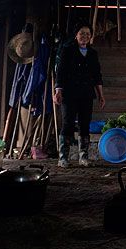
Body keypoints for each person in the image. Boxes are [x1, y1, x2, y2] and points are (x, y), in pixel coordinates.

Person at [54, 24, 105, 167]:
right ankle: (63, 158)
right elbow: (60, 72)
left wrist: (101, 95)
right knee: (68, 123)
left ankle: (83, 157)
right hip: (69, 93)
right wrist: (58, 91)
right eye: (82, 33)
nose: (85, 36)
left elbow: (97, 76)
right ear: (76, 35)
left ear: (91, 36)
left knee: (85, 124)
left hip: (86, 94)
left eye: (88, 34)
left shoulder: (92, 53)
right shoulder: (67, 50)